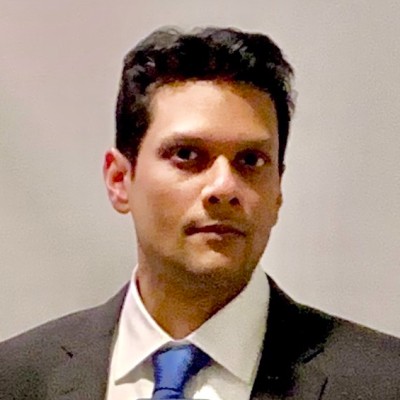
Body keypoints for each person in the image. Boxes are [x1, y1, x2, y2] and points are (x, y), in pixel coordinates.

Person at [0, 26, 399, 400]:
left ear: (278, 190)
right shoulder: (16, 378)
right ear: (120, 180)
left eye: (251, 160)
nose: (224, 187)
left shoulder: (384, 381)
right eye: (187, 155)